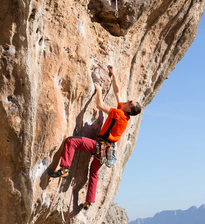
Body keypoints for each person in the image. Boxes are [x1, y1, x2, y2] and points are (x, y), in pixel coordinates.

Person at [48, 65, 141, 210]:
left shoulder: (119, 114)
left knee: (71, 141)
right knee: (94, 173)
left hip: (99, 146)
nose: (128, 100)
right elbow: (117, 92)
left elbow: (99, 105)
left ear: (129, 108)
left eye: (130, 102)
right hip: (106, 150)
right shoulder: (124, 112)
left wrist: (98, 91)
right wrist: (114, 74)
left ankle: (65, 168)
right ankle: (89, 201)